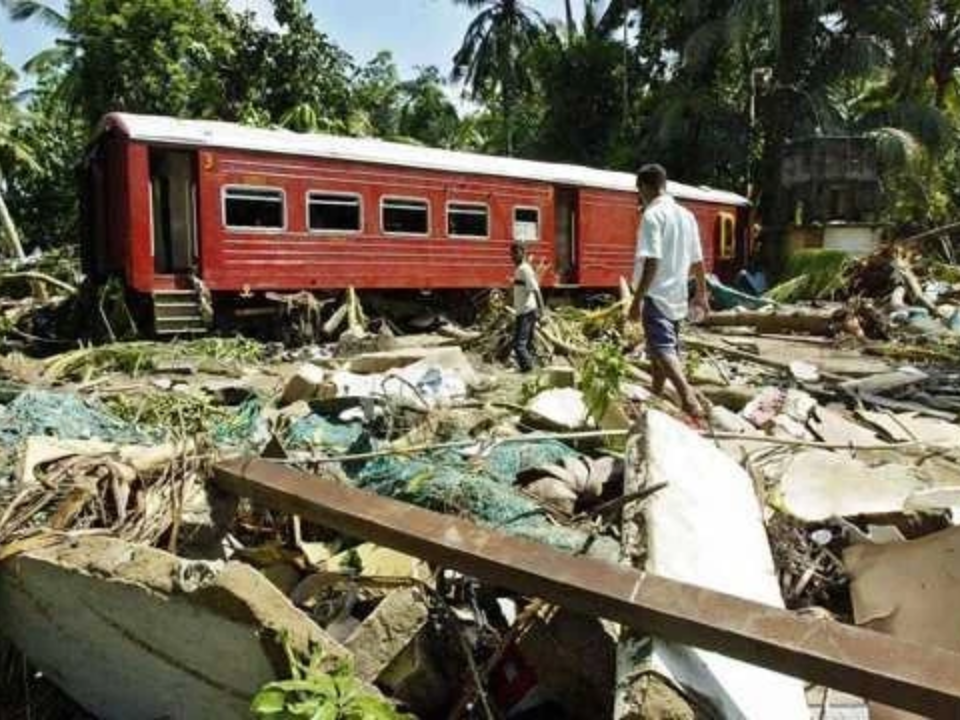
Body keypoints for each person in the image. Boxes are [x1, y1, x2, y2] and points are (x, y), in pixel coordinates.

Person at [628, 164, 709, 418]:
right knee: (658, 351)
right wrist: (701, 293)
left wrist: (636, 300)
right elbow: (698, 261)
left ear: (644, 187)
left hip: (656, 294)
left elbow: (652, 261)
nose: (639, 197)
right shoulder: (686, 216)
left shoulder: (652, 216)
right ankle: (656, 392)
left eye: (638, 191)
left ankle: (688, 398)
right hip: (677, 295)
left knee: (663, 350)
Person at [511, 242, 544, 372]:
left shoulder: (525, 269)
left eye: (515, 253)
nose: (513, 256)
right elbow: (519, 289)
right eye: (512, 253)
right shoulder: (520, 269)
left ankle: (528, 371)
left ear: (523, 253)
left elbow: (536, 290)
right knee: (527, 344)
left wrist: (543, 312)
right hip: (524, 311)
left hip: (526, 312)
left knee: (519, 345)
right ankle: (534, 370)